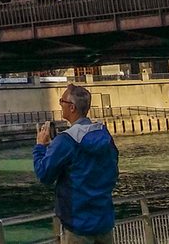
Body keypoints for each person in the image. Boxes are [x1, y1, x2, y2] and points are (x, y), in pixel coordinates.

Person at [34, 84, 119, 244]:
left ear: (72, 107)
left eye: (62, 101)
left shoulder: (66, 140)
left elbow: (44, 175)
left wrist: (40, 147)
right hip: (104, 222)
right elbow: (113, 171)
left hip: (77, 226)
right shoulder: (103, 134)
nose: (60, 105)